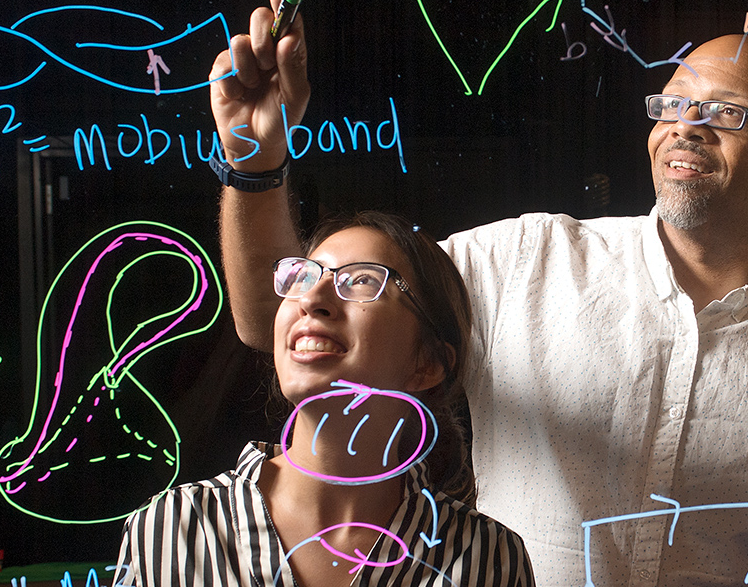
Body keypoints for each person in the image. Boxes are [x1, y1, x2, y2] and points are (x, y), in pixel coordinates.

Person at [203, 0, 748, 586]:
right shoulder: (525, 257)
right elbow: (272, 316)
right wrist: (255, 160)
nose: (685, 129)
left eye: (727, 113)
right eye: (670, 106)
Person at [115, 212, 535, 587]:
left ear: (428, 363)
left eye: (362, 280)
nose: (312, 299)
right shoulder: (173, 528)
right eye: (303, 277)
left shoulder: (486, 559)